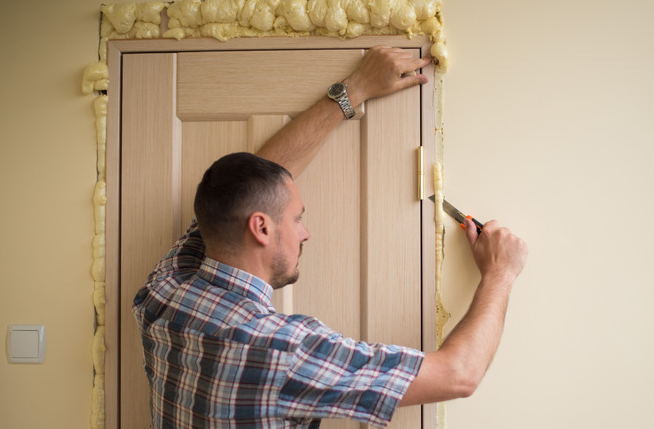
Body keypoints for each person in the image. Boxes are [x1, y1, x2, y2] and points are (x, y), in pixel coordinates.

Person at [133, 46, 528, 428]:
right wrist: (500, 273)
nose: (306, 233)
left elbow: (259, 183)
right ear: (261, 228)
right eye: (297, 219)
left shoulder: (166, 290)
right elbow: (458, 374)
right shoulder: (283, 352)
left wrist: (355, 90)